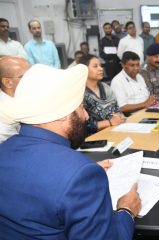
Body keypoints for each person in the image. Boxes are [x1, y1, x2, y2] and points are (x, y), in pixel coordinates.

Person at [0, 64, 141, 239]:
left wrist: (78, 176)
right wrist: (126, 210)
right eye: (81, 107)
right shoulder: (79, 173)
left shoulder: (4, 150)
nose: (87, 116)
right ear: (63, 115)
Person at [80, 54, 125, 134]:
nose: (101, 69)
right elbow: (82, 126)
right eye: (95, 66)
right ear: (84, 70)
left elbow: (116, 109)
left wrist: (120, 116)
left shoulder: (105, 87)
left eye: (101, 66)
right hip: (93, 138)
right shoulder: (80, 93)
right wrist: (109, 122)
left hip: (115, 130)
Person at [0, 56, 30, 143]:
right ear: (8, 82)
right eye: (26, 76)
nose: (33, 79)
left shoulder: (25, 95)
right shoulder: (4, 114)